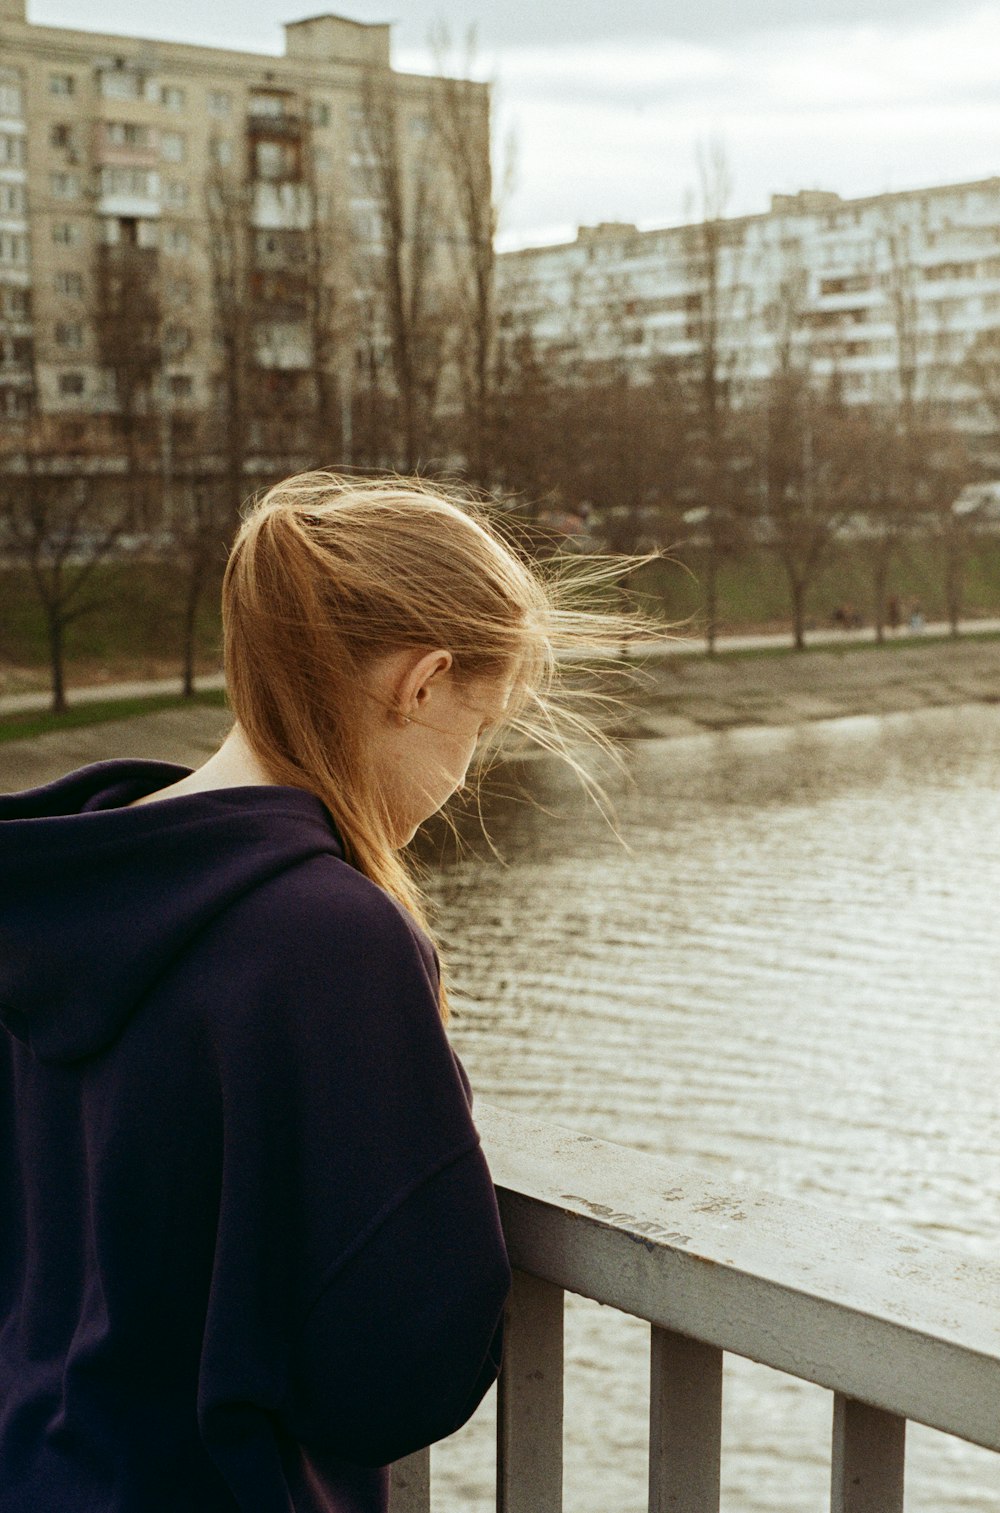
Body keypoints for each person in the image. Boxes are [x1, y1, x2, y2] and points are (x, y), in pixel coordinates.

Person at [0, 474, 637, 1513]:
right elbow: (396, 1367)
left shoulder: (68, 878)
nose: (456, 778)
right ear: (422, 682)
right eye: (475, 731)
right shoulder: (326, 934)